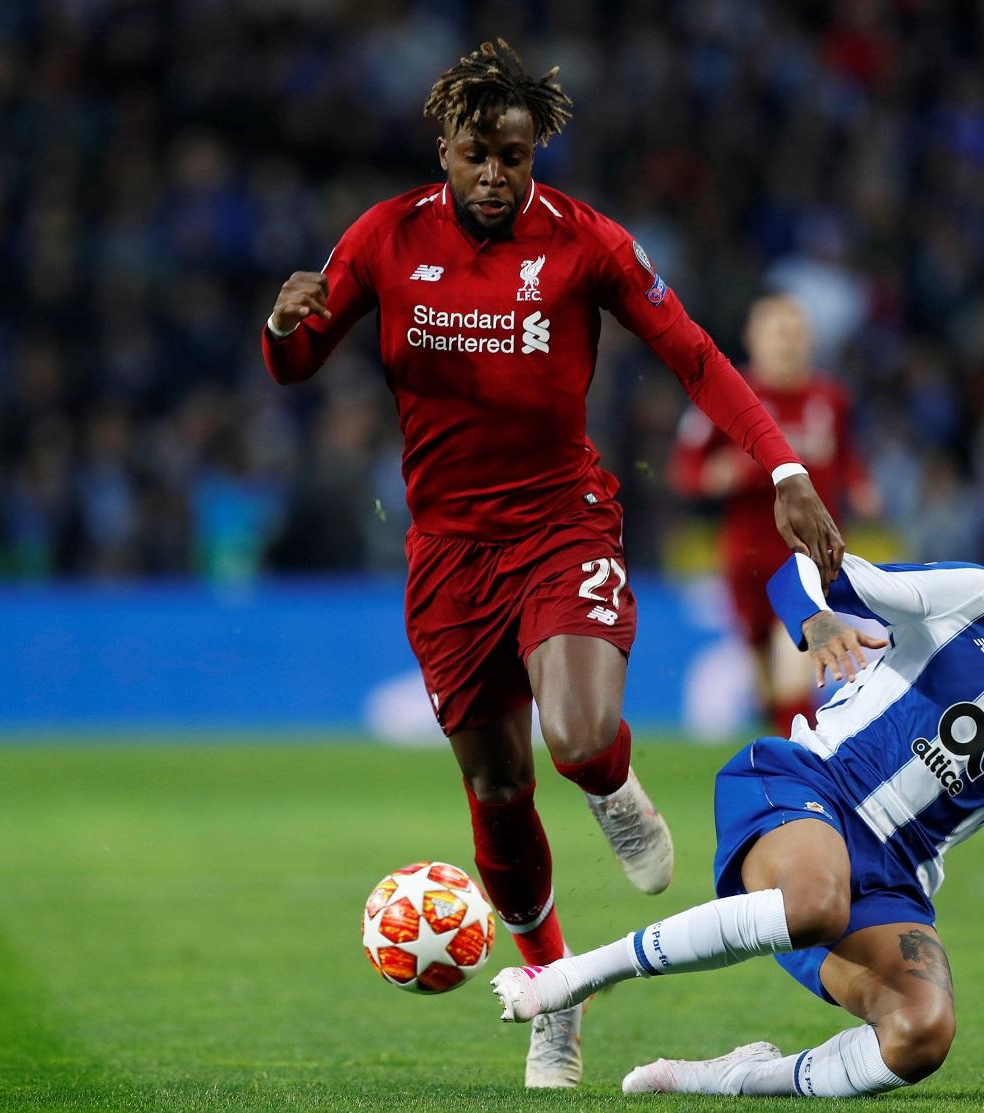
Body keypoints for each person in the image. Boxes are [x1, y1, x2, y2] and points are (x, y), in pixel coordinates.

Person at [259, 40, 844, 1088]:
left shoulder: (585, 241)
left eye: (514, 157)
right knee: (496, 787)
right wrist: (282, 323)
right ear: (444, 150)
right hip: (447, 554)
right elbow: (298, 363)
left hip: (559, 525)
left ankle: (613, 785)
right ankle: (555, 995)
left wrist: (785, 468)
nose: (495, 174)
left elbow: (695, 354)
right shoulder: (386, 236)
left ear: (536, 155)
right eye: (476, 154)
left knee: (575, 738)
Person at [492, 533, 984, 1098]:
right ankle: (570, 979)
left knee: (922, 1032)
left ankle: (737, 1077)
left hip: (891, 879)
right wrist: (813, 618)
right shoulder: (981, 599)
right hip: (808, 784)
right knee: (816, 899)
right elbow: (805, 569)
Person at [672, 295, 878, 736]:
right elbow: (685, 469)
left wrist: (860, 486)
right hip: (745, 560)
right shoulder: (729, 396)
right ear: (753, 340)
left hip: (808, 558)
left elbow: (847, 455)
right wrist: (716, 476)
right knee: (766, 682)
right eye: (777, 333)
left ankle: (803, 758)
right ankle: (785, 746)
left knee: (793, 670)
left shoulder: (831, 398)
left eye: (795, 333)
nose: (788, 343)